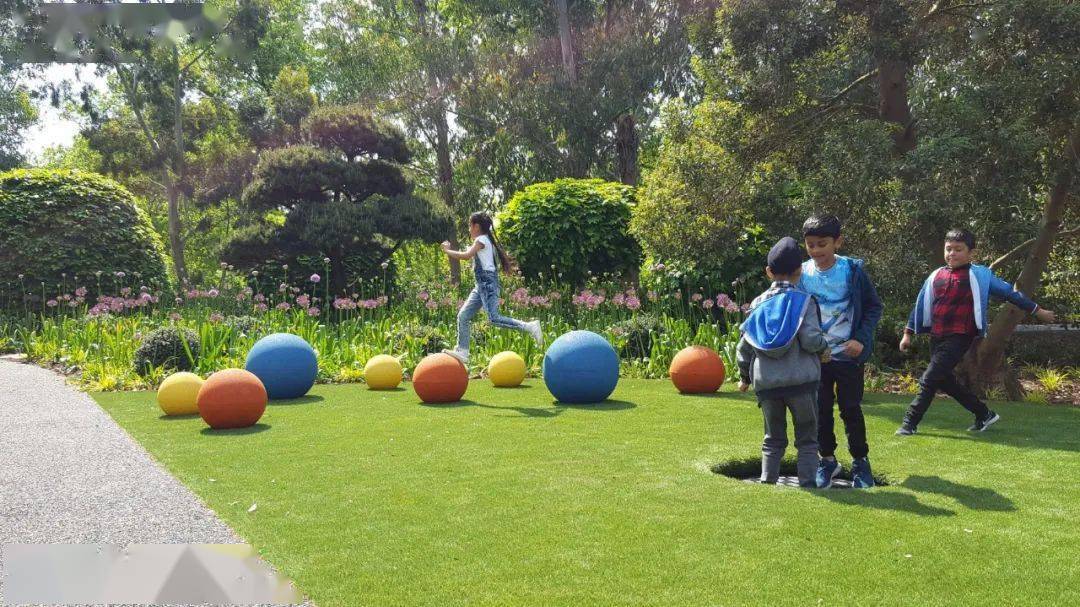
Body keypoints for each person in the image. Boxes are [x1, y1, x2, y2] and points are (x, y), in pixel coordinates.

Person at [896, 228, 1056, 435]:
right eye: (948, 249)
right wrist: (907, 333)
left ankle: (909, 424)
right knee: (944, 380)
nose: (952, 253)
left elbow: (1010, 293)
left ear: (971, 253)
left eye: (958, 249)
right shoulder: (936, 275)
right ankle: (984, 414)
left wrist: (1038, 310)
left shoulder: (980, 275)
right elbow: (920, 305)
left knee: (929, 378)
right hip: (937, 336)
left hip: (961, 335)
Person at [737, 237, 830, 487]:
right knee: (807, 438)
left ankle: (768, 482)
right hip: (801, 382)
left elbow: (744, 347)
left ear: (768, 272)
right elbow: (811, 340)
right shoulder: (805, 302)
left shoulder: (757, 304)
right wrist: (824, 348)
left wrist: (744, 376)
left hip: (767, 384)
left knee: (773, 438)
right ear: (800, 270)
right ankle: (809, 483)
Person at [798, 215, 882, 489]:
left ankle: (860, 461)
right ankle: (827, 460)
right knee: (820, 411)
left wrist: (860, 338)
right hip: (816, 358)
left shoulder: (852, 270)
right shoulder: (802, 274)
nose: (816, 251)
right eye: (811, 245)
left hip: (848, 356)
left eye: (822, 244)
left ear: (838, 242)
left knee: (850, 409)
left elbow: (873, 307)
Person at [441, 212, 542, 365]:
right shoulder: (485, 240)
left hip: (487, 283)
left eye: (470, 225)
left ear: (476, 226)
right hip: (481, 285)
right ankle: (463, 351)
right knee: (463, 316)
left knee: (494, 318)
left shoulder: (481, 239)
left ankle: (529, 327)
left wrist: (447, 250)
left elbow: (466, 255)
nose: (469, 229)